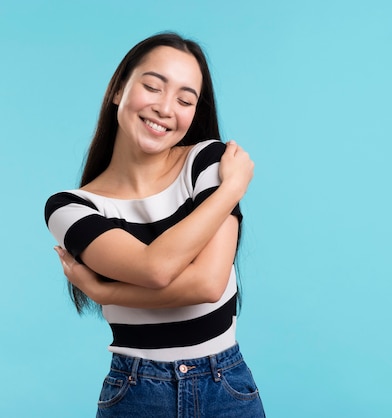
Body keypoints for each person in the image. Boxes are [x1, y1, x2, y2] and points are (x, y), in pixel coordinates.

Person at [44, 32, 265, 417]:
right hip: (134, 392)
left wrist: (108, 293)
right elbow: (156, 268)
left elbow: (208, 284)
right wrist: (231, 191)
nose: (165, 108)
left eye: (184, 99)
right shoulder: (70, 208)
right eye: (152, 87)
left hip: (224, 384)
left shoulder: (207, 161)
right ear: (118, 90)